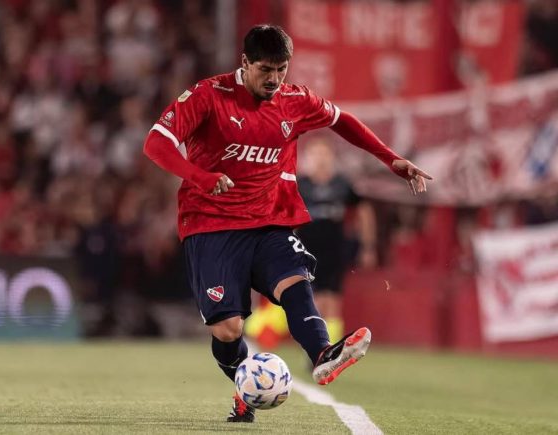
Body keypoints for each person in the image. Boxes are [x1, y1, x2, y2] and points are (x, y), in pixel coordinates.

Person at [143, 24, 432, 423]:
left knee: (295, 281)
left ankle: (322, 354)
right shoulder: (209, 95)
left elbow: (341, 119)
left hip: (269, 221)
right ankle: (244, 392)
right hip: (211, 225)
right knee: (228, 329)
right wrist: (201, 177)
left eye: (282, 69)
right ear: (244, 63)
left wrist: (390, 158)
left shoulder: (295, 100)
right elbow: (155, 144)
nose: (275, 79)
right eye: (266, 69)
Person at [297, 138, 377, 342]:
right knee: (310, 298)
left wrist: (368, 246)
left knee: (332, 299)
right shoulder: (300, 184)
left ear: (332, 158)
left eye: (324, 154)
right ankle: (315, 344)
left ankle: (329, 347)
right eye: (315, 155)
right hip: (306, 247)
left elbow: (364, 210)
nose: (320, 160)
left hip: (334, 247)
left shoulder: (342, 184)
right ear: (307, 159)